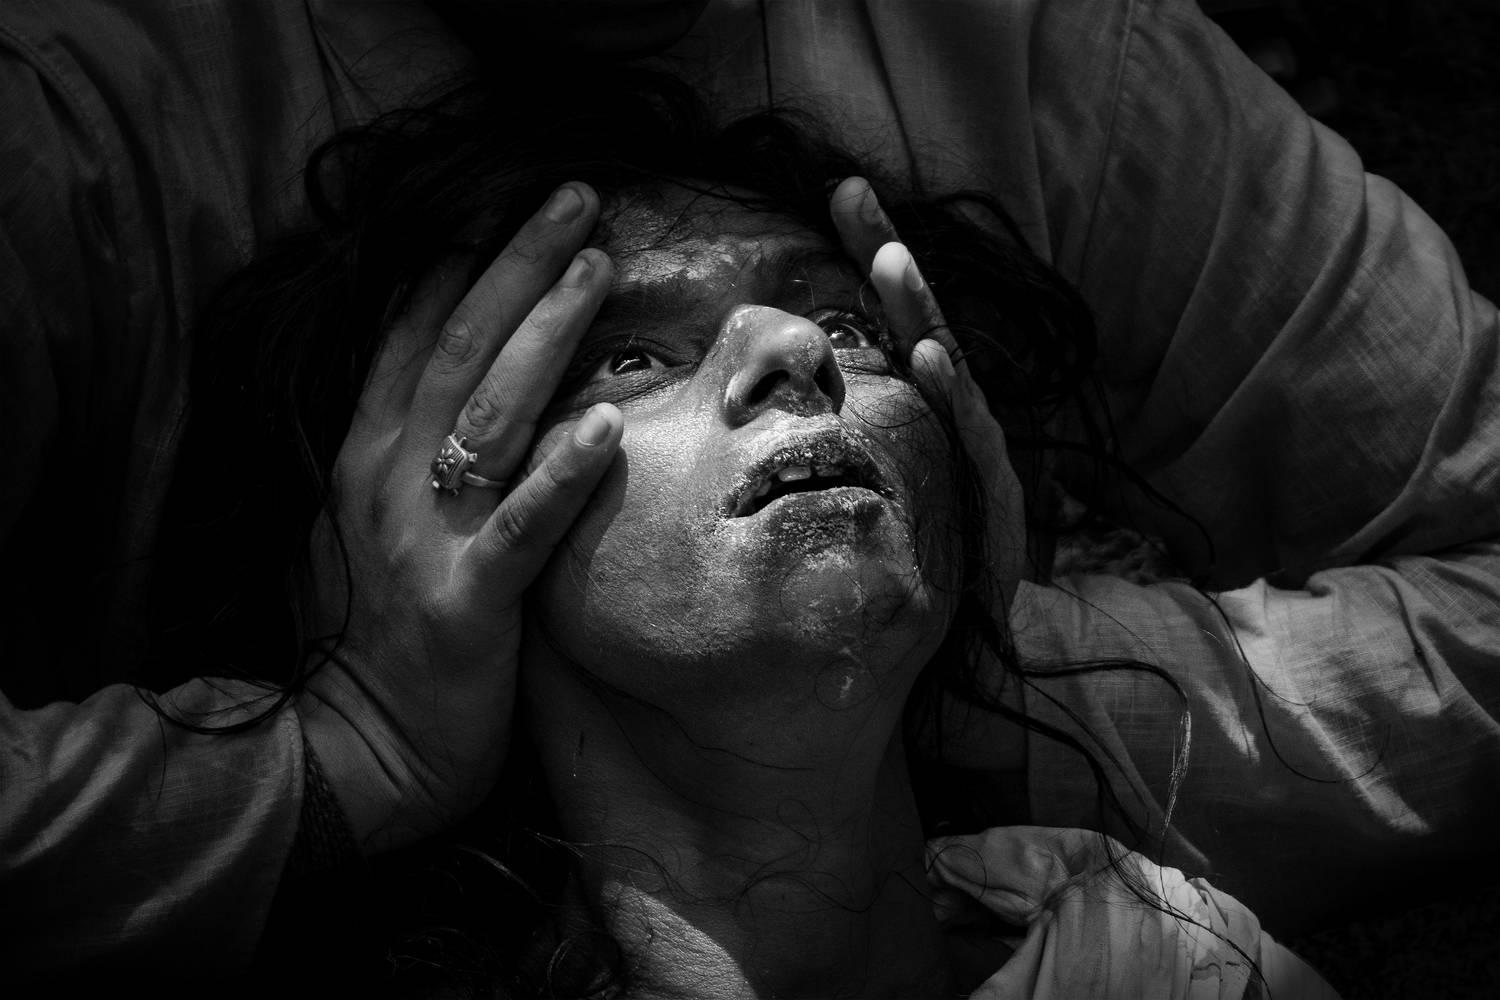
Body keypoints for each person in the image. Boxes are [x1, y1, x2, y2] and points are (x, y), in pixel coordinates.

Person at [2, 0, 1496, 977]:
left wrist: (996, 687)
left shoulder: (1168, 966)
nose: (791, 349)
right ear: (436, 570)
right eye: (626, 359)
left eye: (849, 322)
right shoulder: (62, 127)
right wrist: (340, 756)